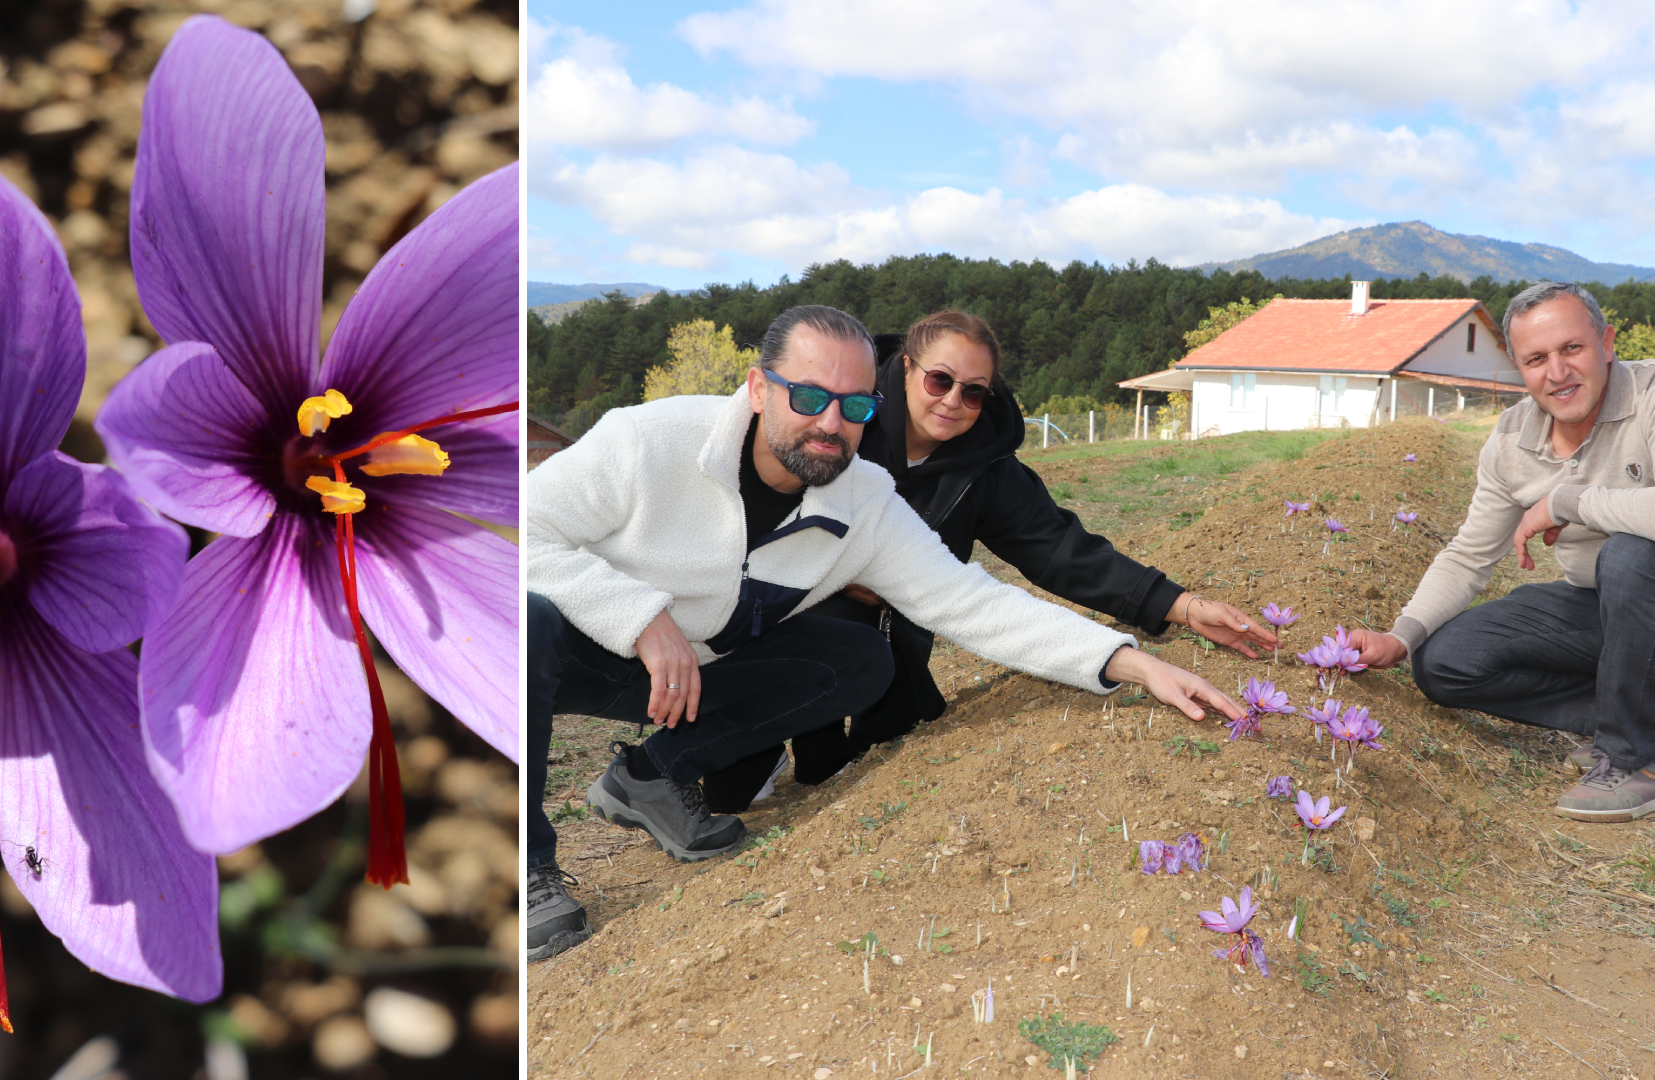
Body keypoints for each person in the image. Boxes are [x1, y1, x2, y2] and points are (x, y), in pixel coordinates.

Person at [524, 304, 1248, 961]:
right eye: (808, 397)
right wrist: (641, 618)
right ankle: (525, 868)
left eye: (853, 405)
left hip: (702, 671)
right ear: (757, 388)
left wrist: (1134, 663)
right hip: (582, 652)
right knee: (525, 617)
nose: (830, 424)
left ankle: (649, 776)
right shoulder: (648, 441)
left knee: (858, 657)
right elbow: (518, 530)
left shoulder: (864, 499)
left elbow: (973, 602)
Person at [701, 310, 1276, 810]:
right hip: (781, 618)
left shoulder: (987, 469)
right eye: (940, 380)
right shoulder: (841, 428)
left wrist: (1180, 605)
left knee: (858, 766)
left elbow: (1060, 549)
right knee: (728, 791)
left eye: (973, 390)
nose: (953, 401)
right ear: (904, 368)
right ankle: (750, 745)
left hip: (901, 639)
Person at [1347, 281, 1655, 822]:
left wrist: (1569, 501)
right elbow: (1470, 553)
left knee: (1629, 555)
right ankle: (1626, 714)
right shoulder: (1514, 436)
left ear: (1606, 343)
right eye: (1536, 359)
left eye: (1572, 349)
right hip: (1606, 607)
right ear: (1519, 368)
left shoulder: (1649, 396)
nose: (1557, 372)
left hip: (1641, 588)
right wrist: (1401, 635)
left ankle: (1631, 756)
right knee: (1445, 662)